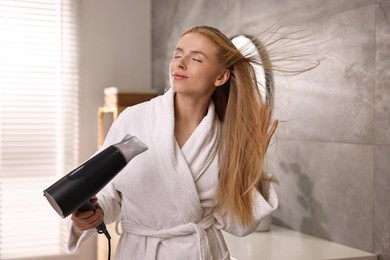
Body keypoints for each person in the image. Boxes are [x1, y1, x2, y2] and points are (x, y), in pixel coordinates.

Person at [68, 25, 279, 260]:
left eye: (196, 58)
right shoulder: (134, 119)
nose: (180, 63)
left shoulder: (226, 139)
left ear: (220, 76)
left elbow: (239, 224)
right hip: (139, 252)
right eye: (178, 55)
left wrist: (252, 163)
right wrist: (94, 213)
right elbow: (108, 193)